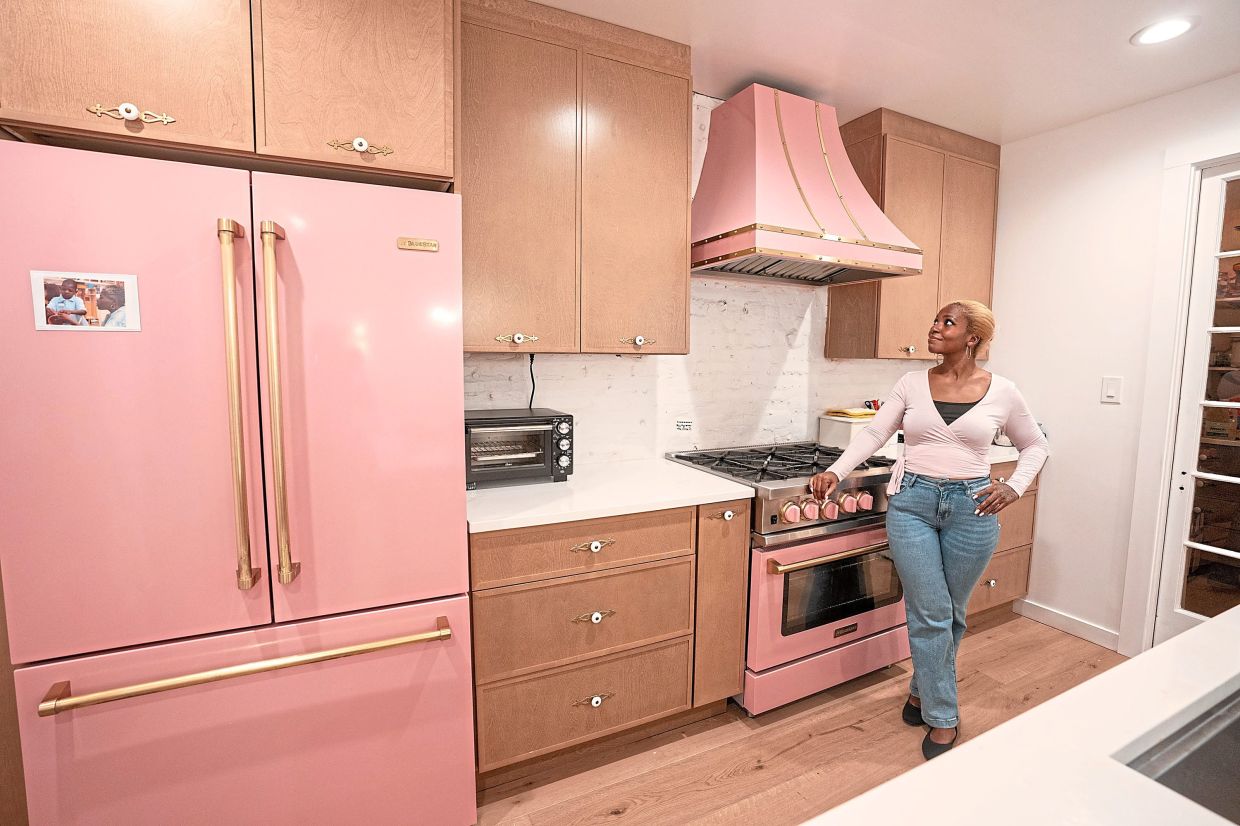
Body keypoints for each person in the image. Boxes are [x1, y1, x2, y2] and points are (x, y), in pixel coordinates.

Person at [810, 299, 1048, 760]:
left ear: (972, 337)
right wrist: (836, 471)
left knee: (951, 613)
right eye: (936, 319)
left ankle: (921, 692)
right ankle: (944, 717)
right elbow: (873, 434)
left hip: (972, 508)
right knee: (931, 613)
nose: (934, 327)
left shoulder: (1003, 391)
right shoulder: (911, 383)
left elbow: (1035, 444)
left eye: (947, 322)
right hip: (913, 504)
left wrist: (1016, 487)